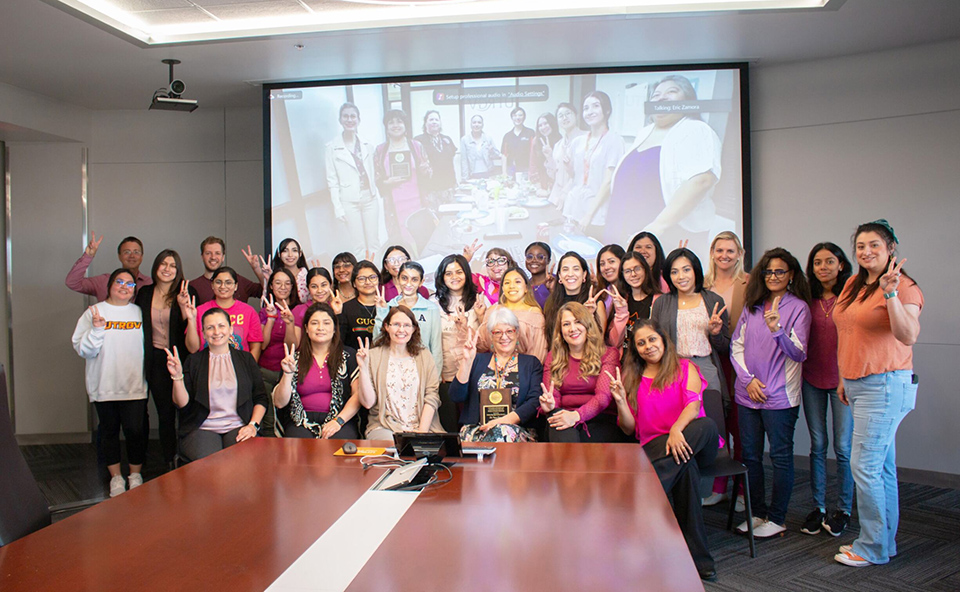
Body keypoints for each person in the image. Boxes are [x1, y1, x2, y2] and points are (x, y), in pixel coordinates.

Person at [833, 220, 922, 567]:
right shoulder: (854, 283)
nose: (866, 252)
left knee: (865, 466)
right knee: (880, 467)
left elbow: (908, 334)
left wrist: (890, 294)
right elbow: (848, 331)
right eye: (860, 246)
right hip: (857, 383)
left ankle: (871, 547)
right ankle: (885, 543)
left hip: (885, 384)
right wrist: (844, 377)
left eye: (874, 245)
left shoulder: (906, 287)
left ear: (891, 249)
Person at [610, 319, 720, 582]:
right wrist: (621, 402)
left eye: (652, 340)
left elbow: (693, 408)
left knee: (706, 424)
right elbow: (629, 429)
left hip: (693, 436)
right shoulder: (632, 378)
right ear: (635, 350)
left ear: (663, 340)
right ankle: (700, 559)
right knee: (687, 469)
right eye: (641, 343)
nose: (648, 346)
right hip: (656, 448)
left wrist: (676, 430)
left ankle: (642, 497)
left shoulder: (685, 367)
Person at [731, 248, 811, 538]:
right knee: (750, 456)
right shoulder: (753, 305)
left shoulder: (799, 308)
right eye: (768, 271)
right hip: (747, 394)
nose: (773, 276)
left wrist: (777, 330)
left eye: (780, 271)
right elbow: (736, 346)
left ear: (790, 275)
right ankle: (757, 514)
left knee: (780, 457)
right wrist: (748, 380)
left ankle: (777, 518)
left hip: (781, 398)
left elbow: (799, 353)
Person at [609, 74, 722, 249]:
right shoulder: (645, 131)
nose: (661, 97)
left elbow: (702, 180)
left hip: (667, 236)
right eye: (656, 95)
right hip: (629, 232)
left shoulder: (696, 129)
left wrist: (655, 228)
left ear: (687, 99)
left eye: (672, 91)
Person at [73, 268, 149, 497]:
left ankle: (135, 474)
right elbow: (83, 349)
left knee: (136, 431)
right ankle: (116, 477)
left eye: (130, 284)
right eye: (119, 282)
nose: (124, 287)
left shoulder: (139, 313)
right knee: (109, 432)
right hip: (104, 386)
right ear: (110, 285)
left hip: (134, 386)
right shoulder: (94, 312)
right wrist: (97, 329)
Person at [800, 242, 854, 537]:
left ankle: (843, 509)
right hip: (811, 380)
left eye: (829, 262)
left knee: (843, 448)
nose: (823, 267)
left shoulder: (851, 297)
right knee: (817, 446)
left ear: (841, 265)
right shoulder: (806, 298)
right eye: (817, 262)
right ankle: (818, 507)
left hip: (844, 381)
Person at [166, 308, 269, 461]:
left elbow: (260, 398)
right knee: (212, 463)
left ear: (231, 329)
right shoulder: (193, 361)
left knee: (240, 460)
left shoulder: (246, 359)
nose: (216, 332)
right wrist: (177, 377)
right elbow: (182, 404)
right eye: (210, 327)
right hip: (202, 428)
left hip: (239, 426)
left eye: (221, 326)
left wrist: (252, 425)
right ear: (203, 333)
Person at [134, 250, 197, 470]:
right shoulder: (144, 293)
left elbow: (190, 327)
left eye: (172, 265)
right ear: (156, 267)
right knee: (165, 413)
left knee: (186, 410)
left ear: (178, 270)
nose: (167, 269)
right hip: (155, 360)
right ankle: (169, 459)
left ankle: (188, 456)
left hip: (182, 360)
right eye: (163, 264)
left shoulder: (187, 291)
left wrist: (181, 306)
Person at [701, 231, 749, 508]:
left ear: (739, 254)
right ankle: (718, 486)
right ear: (712, 252)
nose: (724, 256)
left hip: (739, 364)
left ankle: (742, 491)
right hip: (710, 363)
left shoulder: (749, 283)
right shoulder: (702, 284)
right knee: (716, 425)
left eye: (730, 251)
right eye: (719, 250)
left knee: (740, 428)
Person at [650, 248, 729, 417]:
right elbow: (654, 342)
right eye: (674, 272)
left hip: (705, 367)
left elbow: (725, 347)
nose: (681, 277)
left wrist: (715, 333)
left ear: (696, 270)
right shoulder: (661, 303)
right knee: (678, 428)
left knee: (712, 426)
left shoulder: (714, 300)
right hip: (672, 369)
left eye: (686, 270)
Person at [449, 308, 543, 442]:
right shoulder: (477, 360)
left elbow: (534, 401)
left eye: (509, 331)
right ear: (491, 336)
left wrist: (503, 422)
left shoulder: (531, 363)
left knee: (501, 432)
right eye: (497, 332)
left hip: (514, 429)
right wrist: (467, 362)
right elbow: (456, 396)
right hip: (476, 430)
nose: (504, 337)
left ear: (517, 333)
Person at [273, 303, 362, 439]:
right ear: (306, 329)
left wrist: (338, 421)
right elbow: (279, 402)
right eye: (314, 323)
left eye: (326, 323)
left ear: (334, 329)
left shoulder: (348, 356)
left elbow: (357, 396)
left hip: (339, 418)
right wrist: (287, 374)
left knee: (340, 445)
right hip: (300, 421)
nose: (320, 328)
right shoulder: (293, 359)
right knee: (298, 448)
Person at [356, 306, 444, 439]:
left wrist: (421, 435)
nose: (401, 330)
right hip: (385, 427)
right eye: (396, 324)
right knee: (396, 451)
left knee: (443, 453)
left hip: (423, 427)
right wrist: (363, 368)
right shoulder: (373, 356)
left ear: (414, 329)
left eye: (407, 325)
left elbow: (432, 397)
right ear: (386, 326)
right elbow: (368, 403)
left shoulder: (424, 356)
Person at [540, 302, 621, 442]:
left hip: (599, 417)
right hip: (563, 416)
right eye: (566, 324)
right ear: (560, 331)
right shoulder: (553, 356)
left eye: (577, 322)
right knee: (557, 422)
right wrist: (551, 405)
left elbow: (603, 398)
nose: (572, 329)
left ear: (587, 325)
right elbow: (552, 395)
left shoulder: (608, 354)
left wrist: (576, 416)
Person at [431, 254, 483, 432]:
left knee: (472, 426)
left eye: (459, 272)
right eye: (449, 273)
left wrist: (467, 325)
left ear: (467, 274)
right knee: (450, 427)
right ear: (442, 277)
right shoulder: (433, 303)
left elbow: (487, 339)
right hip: (446, 376)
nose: (454, 277)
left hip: (475, 374)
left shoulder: (479, 300)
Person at [563, 91, 624, 235]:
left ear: (607, 110)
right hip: (574, 207)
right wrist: (568, 167)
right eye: (586, 108)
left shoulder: (614, 141)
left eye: (595, 106)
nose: (589, 112)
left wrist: (589, 215)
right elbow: (575, 176)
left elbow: (608, 182)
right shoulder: (578, 141)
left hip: (595, 213)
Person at [326, 102, 380, 258]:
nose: (349, 120)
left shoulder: (367, 144)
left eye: (353, 116)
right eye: (346, 116)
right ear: (340, 120)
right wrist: (338, 207)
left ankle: (375, 275)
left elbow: (373, 171)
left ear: (358, 120)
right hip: (349, 201)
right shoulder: (332, 148)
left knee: (374, 242)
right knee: (358, 245)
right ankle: (362, 279)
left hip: (369, 198)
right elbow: (332, 181)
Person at [374, 109, 432, 246]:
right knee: (401, 243)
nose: (395, 125)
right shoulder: (380, 150)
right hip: (394, 205)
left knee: (421, 239)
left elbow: (429, 173)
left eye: (399, 122)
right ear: (386, 128)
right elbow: (376, 177)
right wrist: (386, 182)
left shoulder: (416, 146)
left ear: (405, 126)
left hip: (417, 201)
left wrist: (425, 171)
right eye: (391, 122)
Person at [375, 261, 443, 373]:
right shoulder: (390, 306)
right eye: (404, 278)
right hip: (393, 370)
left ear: (421, 282)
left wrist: (436, 378)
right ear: (398, 279)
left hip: (422, 370)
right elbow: (377, 339)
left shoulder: (431, 308)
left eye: (414, 279)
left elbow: (436, 348)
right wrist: (381, 311)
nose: (408, 283)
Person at [186, 267, 263, 361]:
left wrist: (248, 370)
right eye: (218, 282)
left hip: (240, 369)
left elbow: (255, 347)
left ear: (236, 286)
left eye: (228, 282)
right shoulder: (200, 311)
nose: (223, 286)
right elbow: (192, 349)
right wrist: (191, 319)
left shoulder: (249, 311)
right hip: (208, 367)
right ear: (212, 285)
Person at [257, 268, 300, 437]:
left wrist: (289, 322)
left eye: (287, 283)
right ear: (271, 287)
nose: (283, 287)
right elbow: (262, 345)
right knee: (268, 420)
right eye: (278, 283)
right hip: (266, 371)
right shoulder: (264, 310)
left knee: (289, 419)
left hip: (290, 373)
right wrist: (271, 318)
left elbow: (293, 346)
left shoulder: (298, 310)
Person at [477, 266, 548, 362]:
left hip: (524, 371)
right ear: (502, 288)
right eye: (507, 282)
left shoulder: (535, 314)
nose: (512, 286)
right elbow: (482, 344)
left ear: (526, 288)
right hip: (494, 369)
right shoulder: (492, 311)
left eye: (517, 282)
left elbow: (538, 353)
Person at [543, 251, 608, 345]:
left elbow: (599, 342)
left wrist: (589, 316)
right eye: (565, 269)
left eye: (576, 269)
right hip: (558, 357)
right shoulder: (551, 302)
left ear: (584, 275)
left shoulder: (596, 304)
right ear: (560, 276)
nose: (570, 274)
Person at [66, 233, 151, 300]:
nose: (132, 256)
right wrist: (88, 256)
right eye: (127, 252)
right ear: (119, 256)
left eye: (136, 252)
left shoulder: (150, 283)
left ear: (142, 257)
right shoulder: (103, 281)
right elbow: (72, 283)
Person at [606, 250, 661, 349]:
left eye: (637, 269)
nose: (633, 274)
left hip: (649, 359)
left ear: (645, 270)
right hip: (624, 361)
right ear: (622, 275)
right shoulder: (621, 301)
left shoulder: (659, 300)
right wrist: (621, 313)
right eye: (627, 271)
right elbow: (614, 343)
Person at [198, 236, 262, 305]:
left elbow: (266, 290)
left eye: (217, 253)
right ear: (202, 257)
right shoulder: (193, 286)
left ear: (223, 257)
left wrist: (257, 269)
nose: (213, 257)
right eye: (208, 253)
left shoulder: (238, 280)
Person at [414, 110, 458, 207]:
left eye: (436, 120)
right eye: (431, 119)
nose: (434, 122)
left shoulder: (447, 139)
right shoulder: (418, 141)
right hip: (431, 189)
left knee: (451, 216)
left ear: (440, 123)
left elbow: (452, 159)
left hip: (449, 187)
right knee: (434, 219)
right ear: (425, 123)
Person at [548, 102, 585, 208]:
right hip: (557, 197)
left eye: (568, 113)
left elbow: (583, 172)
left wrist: (566, 192)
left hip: (576, 197)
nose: (564, 118)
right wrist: (549, 157)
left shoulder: (586, 139)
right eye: (560, 116)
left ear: (576, 116)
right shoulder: (558, 145)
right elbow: (554, 175)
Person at [338, 260, 381, 350]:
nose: (368, 282)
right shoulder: (345, 309)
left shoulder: (389, 307)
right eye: (362, 278)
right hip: (354, 360)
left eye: (372, 277)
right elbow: (339, 342)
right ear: (354, 283)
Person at [293, 267, 342, 343]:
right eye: (314, 286)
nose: (319, 290)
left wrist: (338, 314)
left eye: (323, 285)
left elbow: (340, 341)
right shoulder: (299, 310)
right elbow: (294, 344)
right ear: (308, 288)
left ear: (330, 285)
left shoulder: (336, 308)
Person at [463, 241, 514, 306]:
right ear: (486, 267)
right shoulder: (480, 281)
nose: (496, 264)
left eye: (501, 260)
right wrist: (465, 259)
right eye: (490, 262)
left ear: (509, 264)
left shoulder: (518, 283)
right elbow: (456, 276)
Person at [460, 115, 500, 180]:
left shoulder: (488, 138)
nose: (476, 125)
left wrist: (492, 151)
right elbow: (464, 160)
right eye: (474, 122)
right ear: (470, 124)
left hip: (488, 174)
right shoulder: (465, 140)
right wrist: (465, 179)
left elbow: (496, 156)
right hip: (472, 175)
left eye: (479, 122)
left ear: (482, 125)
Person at [528, 113, 561, 193]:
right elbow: (533, 165)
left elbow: (561, 168)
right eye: (540, 125)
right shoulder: (536, 141)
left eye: (546, 123)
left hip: (557, 184)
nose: (543, 127)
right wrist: (539, 188)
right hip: (541, 183)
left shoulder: (560, 140)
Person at [501, 106, 535, 177]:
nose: (517, 118)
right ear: (512, 118)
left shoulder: (530, 133)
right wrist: (504, 172)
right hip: (511, 170)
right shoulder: (507, 136)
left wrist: (533, 170)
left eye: (520, 115)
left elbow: (534, 152)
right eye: (515, 116)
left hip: (527, 169)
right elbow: (504, 155)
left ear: (524, 117)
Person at [596, 244, 625, 318]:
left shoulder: (632, 292)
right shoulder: (600, 293)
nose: (606, 267)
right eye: (602, 264)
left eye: (611, 261)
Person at [524, 241, 553, 309]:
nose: (534, 260)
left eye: (540, 257)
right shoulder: (524, 284)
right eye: (530, 257)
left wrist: (552, 291)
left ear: (548, 260)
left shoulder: (555, 282)